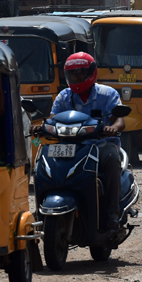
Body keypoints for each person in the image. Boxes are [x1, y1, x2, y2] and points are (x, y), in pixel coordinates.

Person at [45, 52, 125, 231]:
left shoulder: (107, 93)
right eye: (72, 74)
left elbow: (120, 119)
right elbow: (52, 117)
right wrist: (42, 125)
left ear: (91, 72)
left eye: (80, 73)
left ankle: (112, 212)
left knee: (112, 159)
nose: (76, 77)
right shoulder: (64, 96)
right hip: (70, 146)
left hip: (101, 145)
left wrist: (113, 127)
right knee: (46, 160)